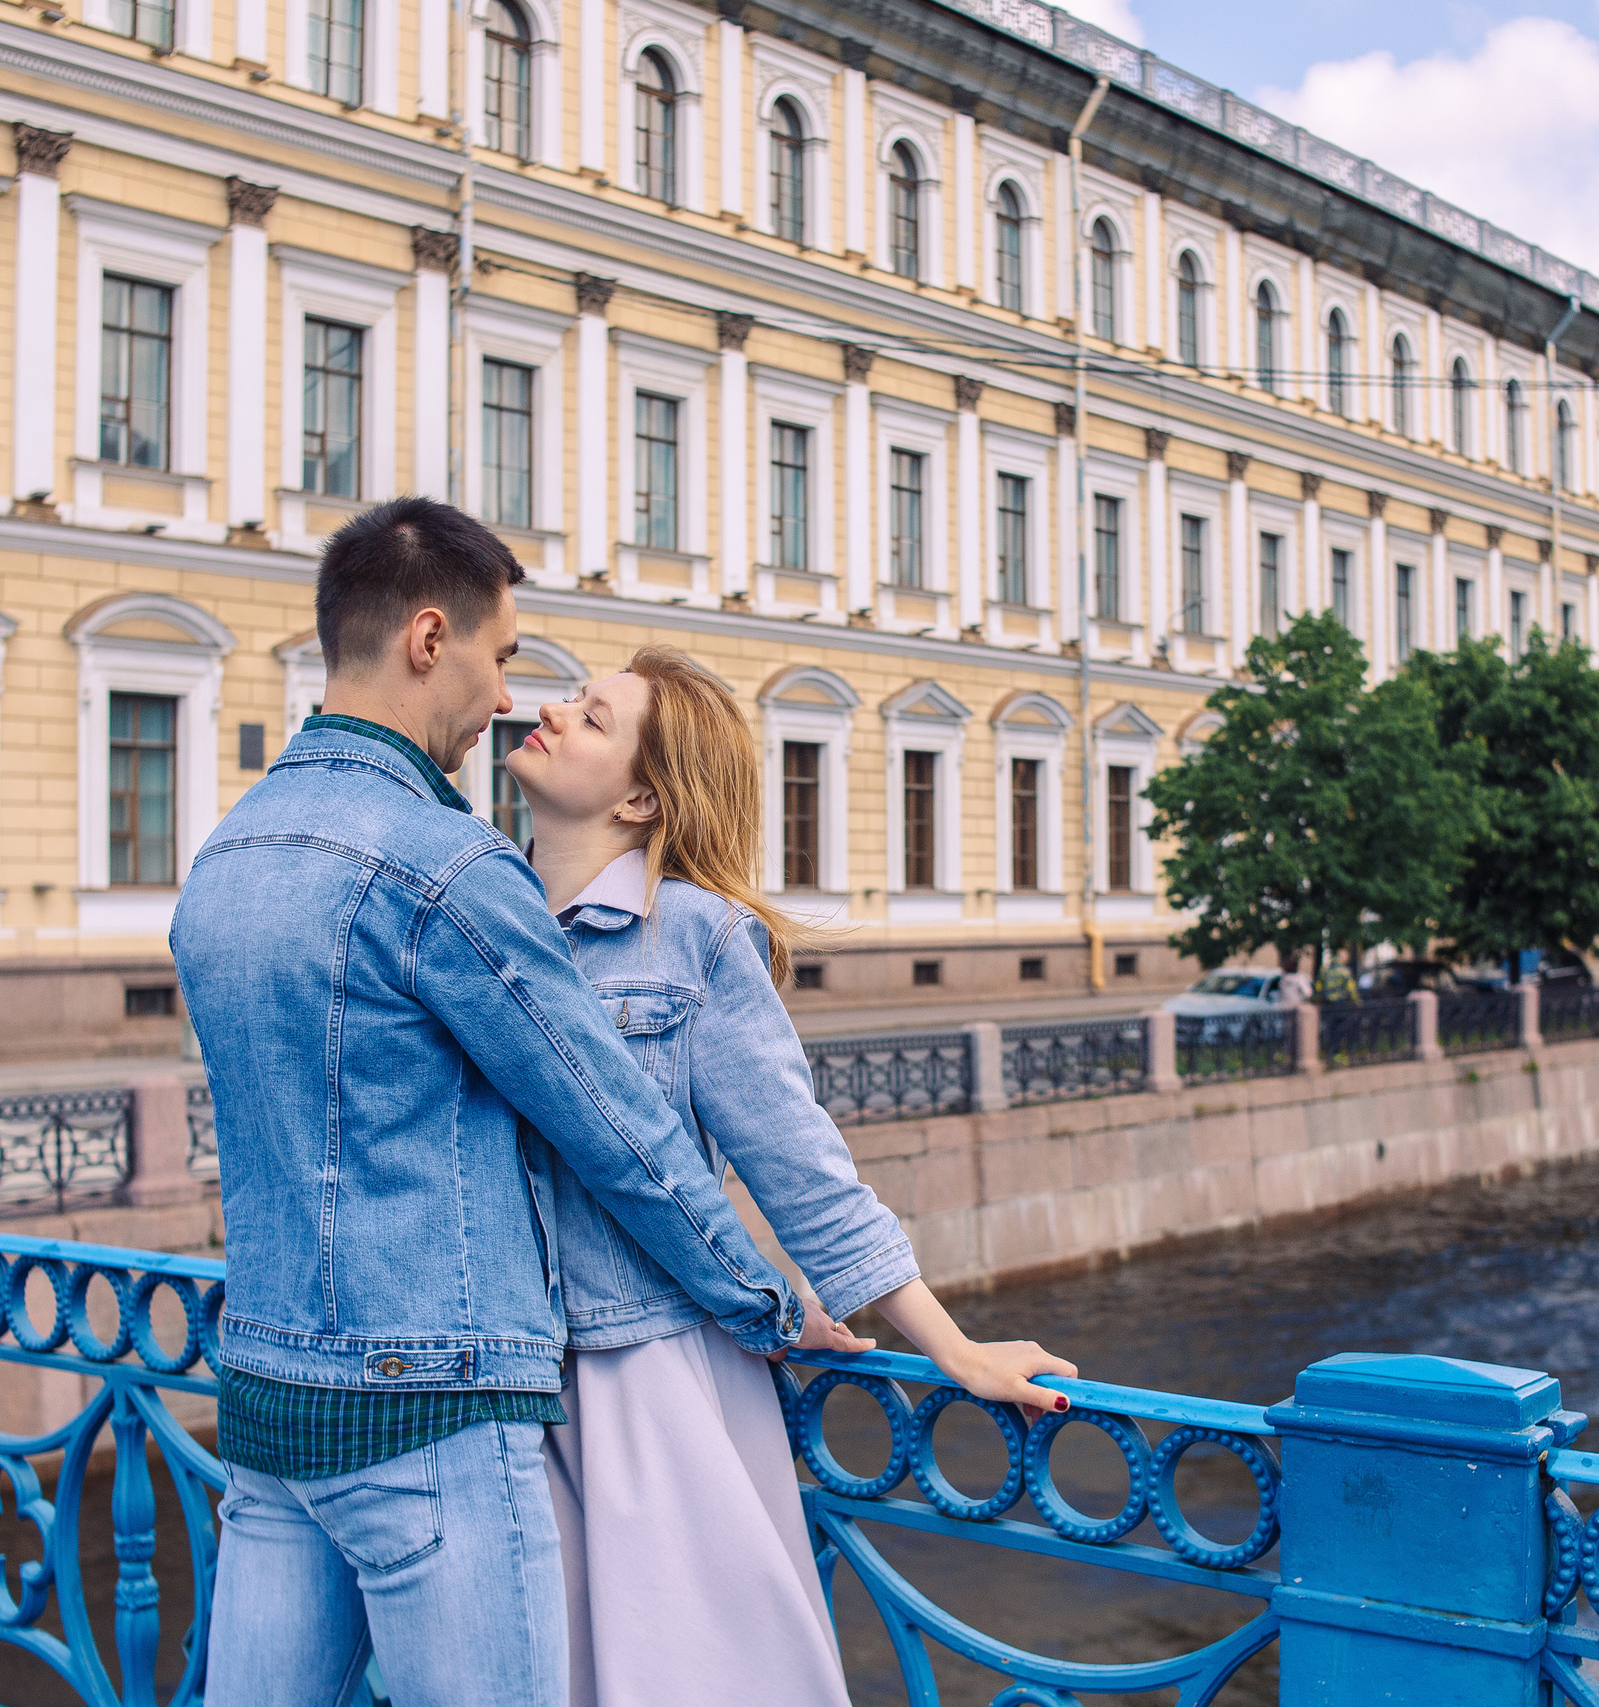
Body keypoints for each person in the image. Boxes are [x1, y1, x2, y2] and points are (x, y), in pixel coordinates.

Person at [171, 498, 857, 1707]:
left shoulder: (228, 854)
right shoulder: (446, 863)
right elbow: (617, 1131)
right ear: (428, 639)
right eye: (499, 660)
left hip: (268, 1398)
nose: (504, 700)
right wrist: (762, 1301)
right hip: (430, 1413)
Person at [506, 648, 1074, 1707]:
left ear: (640, 797)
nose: (552, 708)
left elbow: (802, 1171)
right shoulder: (477, 916)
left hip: (647, 1378)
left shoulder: (694, 938)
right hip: (496, 1373)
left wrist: (951, 1347)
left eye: (591, 715)